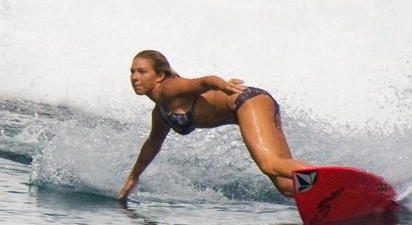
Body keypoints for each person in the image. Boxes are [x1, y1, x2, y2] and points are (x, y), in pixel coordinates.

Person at [118, 49, 313, 200]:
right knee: (286, 186)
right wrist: (134, 176)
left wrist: (222, 85)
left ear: (160, 75)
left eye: (142, 72)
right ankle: (321, 196)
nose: (135, 77)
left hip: (246, 101)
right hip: (254, 104)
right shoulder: (161, 112)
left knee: (269, 164)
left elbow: (204, 82)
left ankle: (322, 181)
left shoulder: (169, 88)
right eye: (132, 72)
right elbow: (152, 144)